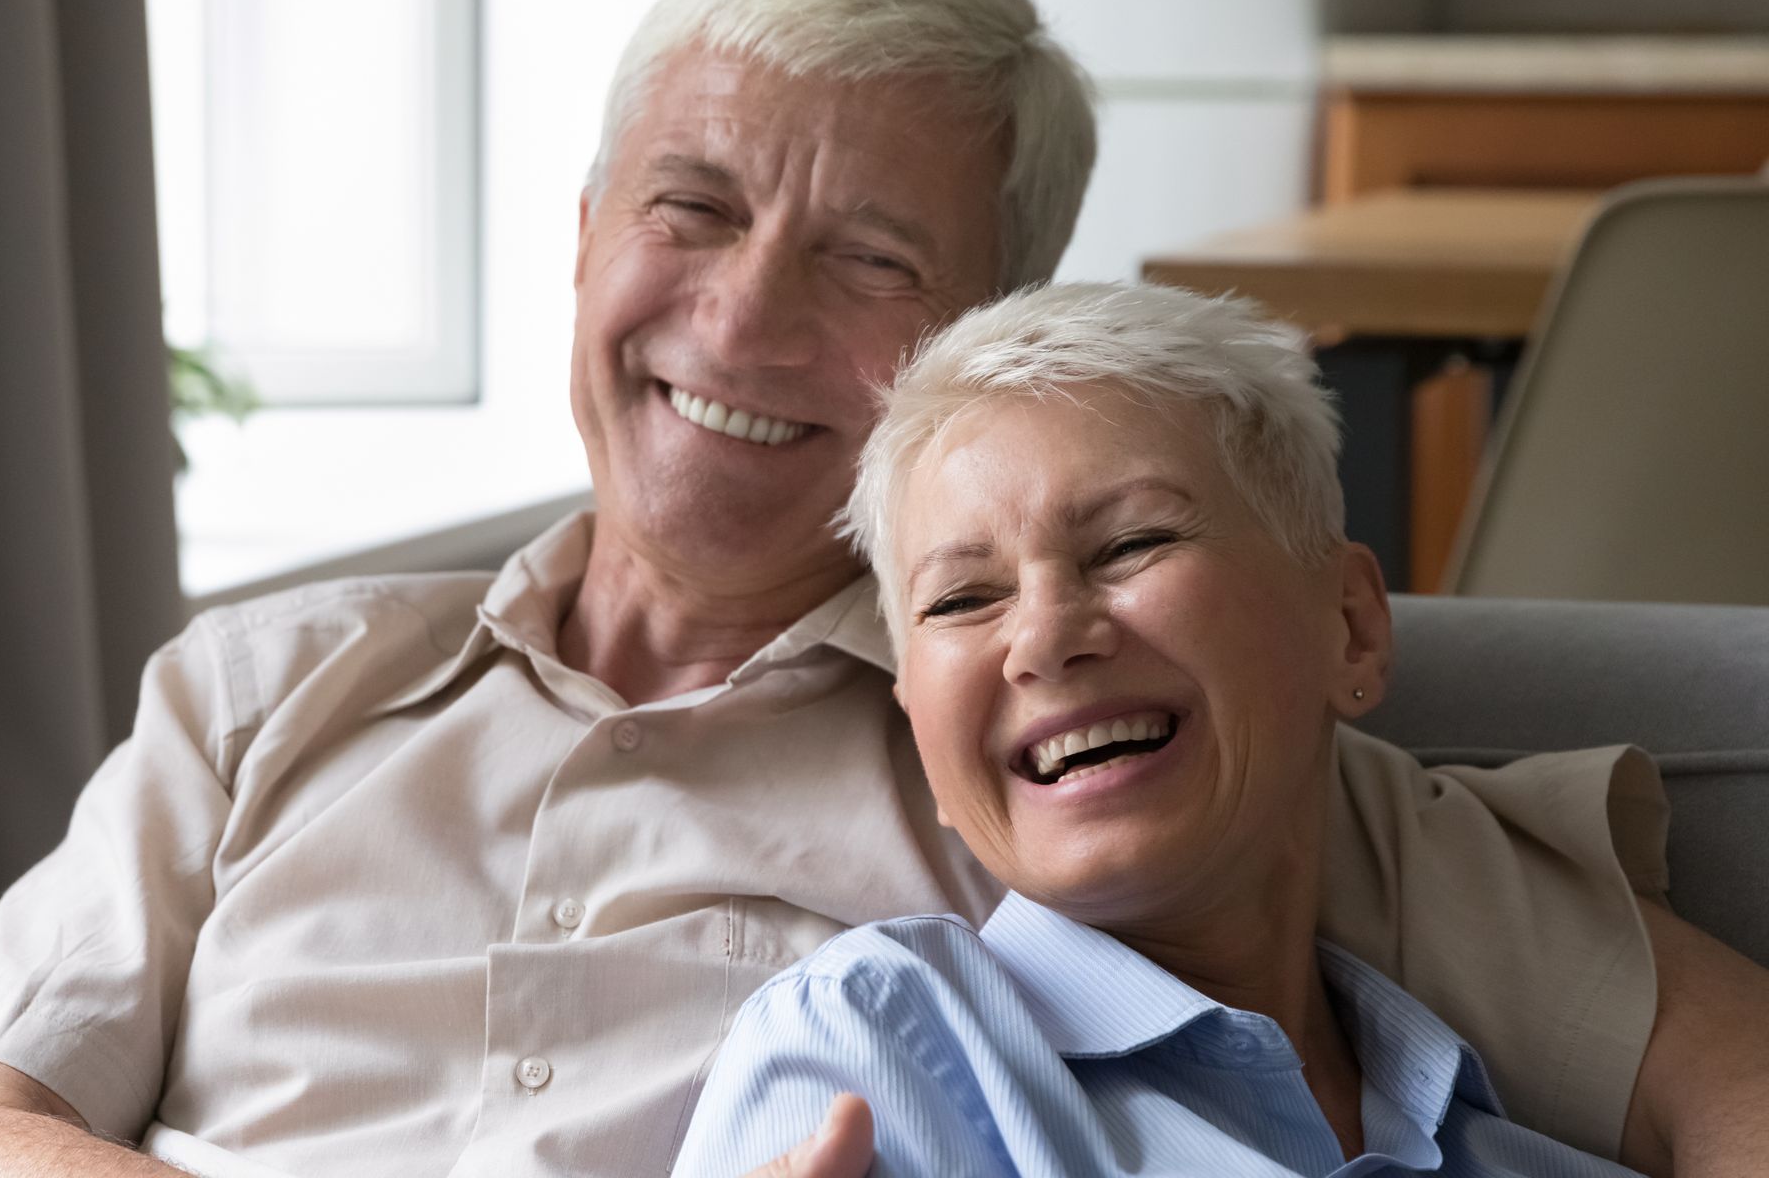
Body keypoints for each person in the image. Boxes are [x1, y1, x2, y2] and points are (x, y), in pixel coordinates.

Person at [0, 0, 1759, 1178]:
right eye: (691, 208)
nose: (745, 320)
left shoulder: (1068, 735)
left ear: (986, 336)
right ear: (585, 239)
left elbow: (1712, 1070)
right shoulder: (267, 692)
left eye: (869, 261)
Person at [673, 282, 1769, 1178]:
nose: (1044, 639)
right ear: (919, 723)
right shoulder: (876, 1036)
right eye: (962, 599)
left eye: (1132, 543)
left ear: (1349, 627)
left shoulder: (1499, 1128)